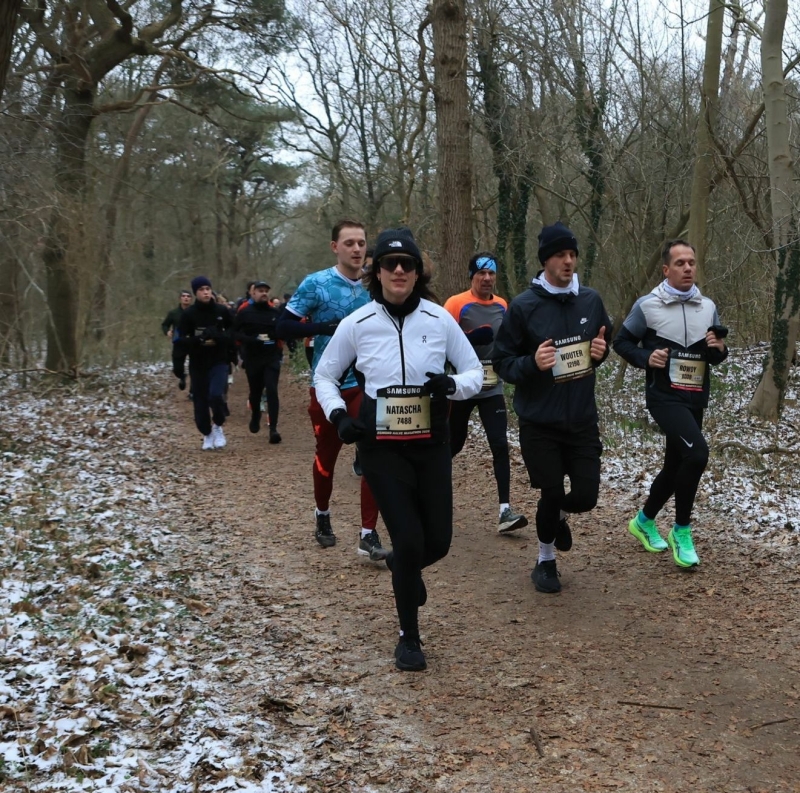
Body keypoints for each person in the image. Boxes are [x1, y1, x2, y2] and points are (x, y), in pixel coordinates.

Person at [314, 228, 483, 671]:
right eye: (391, 264)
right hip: (381, 446)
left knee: (438, 543)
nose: (400, 270)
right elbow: (325, 376)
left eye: (407, 263)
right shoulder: (358, 324)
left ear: (417, 271)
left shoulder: (439, 319)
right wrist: (338, 415)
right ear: (378, 272)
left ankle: (401, 567)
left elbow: (474, 374)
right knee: (408, 539)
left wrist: (452, 385)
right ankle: (409, 636)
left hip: (431, 445)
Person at [492, 222, 612, 594]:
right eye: (561, 254)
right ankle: (545, 561)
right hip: (539, 422)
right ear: (546, 260)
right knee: (551, 491)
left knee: (586, 497)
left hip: (581, 421)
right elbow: (502, 362)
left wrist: (600, 353)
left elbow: (602, 344)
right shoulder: (524, 306)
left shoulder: (590, 301)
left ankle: (559, 517)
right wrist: (532, 363)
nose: (568, 261)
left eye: (572, 254)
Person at [613, 239, 728, 568]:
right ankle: (682, 530)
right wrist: (647, 357)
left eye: (691, 262)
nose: (688, 267)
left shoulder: (707, 306)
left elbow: (715, 356)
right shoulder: (648, 306)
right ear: (666, 269)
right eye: (680, 263)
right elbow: (621, 343)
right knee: (698, 454)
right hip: (664, 398)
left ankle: (644, 521)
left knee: (676, 465)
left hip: (695, 397)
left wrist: (718, 348)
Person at [276, 220, 386, 561]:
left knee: (374, 456)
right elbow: (282, 325)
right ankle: (322, 513)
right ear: (334, 247)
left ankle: (368, 533)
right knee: (327, 456)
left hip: (368, 386)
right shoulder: (317, 283)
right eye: (349, 243)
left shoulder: (376, 282)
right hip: (328, 386)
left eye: (362, 243)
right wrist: (326, 328)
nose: (357, 249)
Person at [444, 253, 528, 534]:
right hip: (463, 387)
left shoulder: (504, 305)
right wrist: (470, 339)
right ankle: (429, 494)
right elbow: (440, 343)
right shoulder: (456, 304)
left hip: (492, 386)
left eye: (492, 274)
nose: (487, 279)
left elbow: (508, 342)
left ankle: (505, 510)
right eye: (481, 273)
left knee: (499, 445)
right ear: (472, 276)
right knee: (453, 445)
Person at [176, 276, 233, 450]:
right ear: (195, 293)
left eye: (208, 288)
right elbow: (181, 340)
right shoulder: (188, 314)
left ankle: (218, 425)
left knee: (216, 395)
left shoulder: (221, 312)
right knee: (200, 401)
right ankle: (207, 433)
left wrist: (219, 336)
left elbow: (233, 332)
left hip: (218, 361)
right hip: (198, 363)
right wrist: (197, 340)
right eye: (201, 289)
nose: (206, 292)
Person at [233, 281, 284, 443]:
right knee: (255, 393)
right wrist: (251, 340)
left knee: (271, 390)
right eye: (260, 291)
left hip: (271, 357)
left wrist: (276, 336)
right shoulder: (245, 313)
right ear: (253, 293)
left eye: (266, 291)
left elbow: (282, 331)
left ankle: (273, 429)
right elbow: (234, 333)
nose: (264, 293)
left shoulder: (274, 312)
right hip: (253, 359)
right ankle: (256, 415)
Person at [161, 290, 192, 391]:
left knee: (196, 368)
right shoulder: (173, 313)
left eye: (188, 296)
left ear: (191, 299)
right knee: (177, 368)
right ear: (180, 298)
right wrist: (167, 332)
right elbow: (165, 324)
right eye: (183, 296)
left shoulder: (195, 312)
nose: (186, 298)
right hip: (179, 342)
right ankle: (182, 376)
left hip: (193, 342)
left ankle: (193, 391)